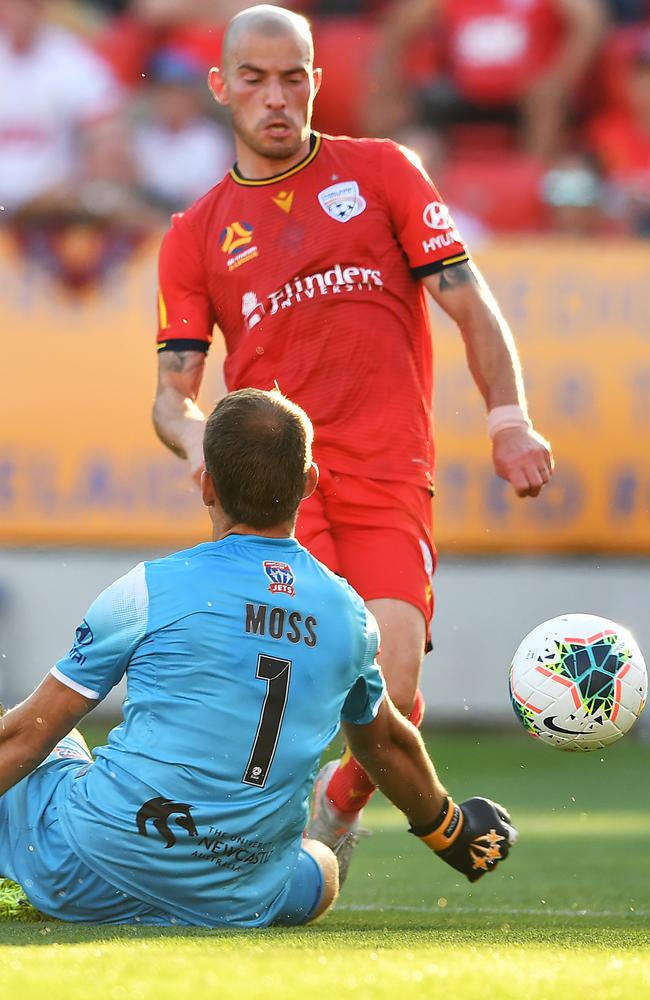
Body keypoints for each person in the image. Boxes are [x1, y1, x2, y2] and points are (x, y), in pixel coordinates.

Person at [152, 5, 551, 881]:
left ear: (316, 82)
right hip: (274, 489)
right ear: (221, 87)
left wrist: (508, 416)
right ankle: (223, 843)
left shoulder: (381, 172)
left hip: (386, 468)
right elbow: (172, 394)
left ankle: (337, 808)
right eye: (253, 78)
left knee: (395, 684)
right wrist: (194, 445)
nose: (275, 96)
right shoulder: (195, 234)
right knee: (286, 681)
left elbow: (467, 298)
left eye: (293, 75)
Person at [0, 388, 517, 927]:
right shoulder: (350, 615)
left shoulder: (149, 589)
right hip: (236, 897)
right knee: (321, 867)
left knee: (51, 738)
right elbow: (385, 740)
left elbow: (29, 735)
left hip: (85, 872)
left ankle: (30, 879)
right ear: (310, 483)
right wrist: (451, 831)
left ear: (206, 484)